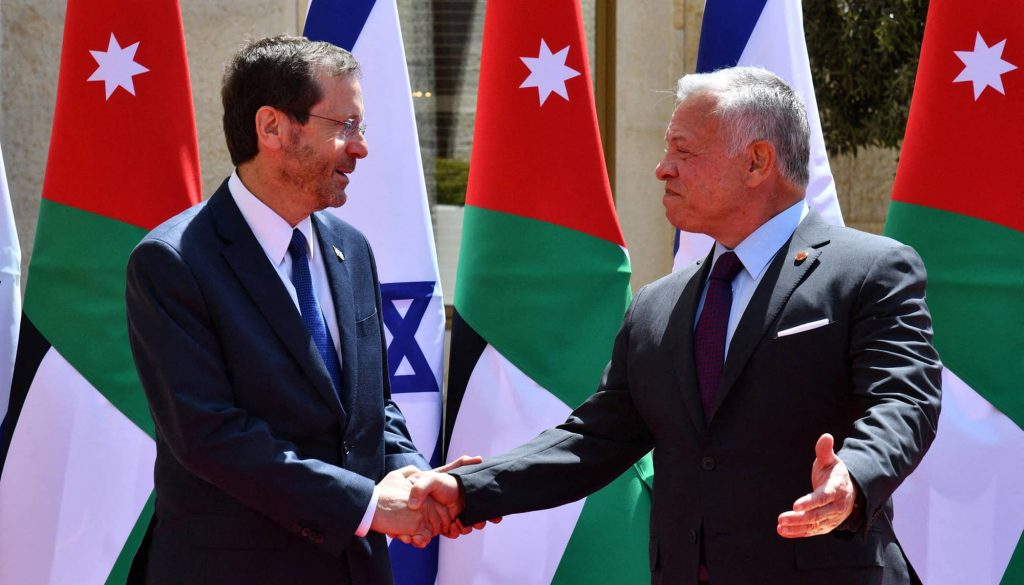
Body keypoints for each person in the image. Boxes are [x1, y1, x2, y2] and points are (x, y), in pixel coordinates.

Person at [409, 67, 942, 585]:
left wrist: (853, 475)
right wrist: (466, 488)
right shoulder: (657, 305)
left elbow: (904, 401)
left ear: (758, 161)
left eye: (684, 151)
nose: (663, 168)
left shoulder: (869, 270)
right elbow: (594, 439)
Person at [125, 35, 471, 585]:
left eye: (362, 128)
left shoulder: (350, 248)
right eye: (345, 126)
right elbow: (211, 436)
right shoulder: (173, 262)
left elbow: (372, 408)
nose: (361, 148)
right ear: (272, 128)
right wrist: (368, 505)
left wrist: (410, 478)